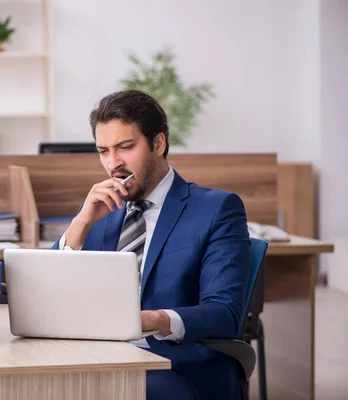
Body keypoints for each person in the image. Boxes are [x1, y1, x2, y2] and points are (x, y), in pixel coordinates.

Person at [52, 89, 250, 400]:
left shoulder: (216, 209)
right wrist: (79, 225)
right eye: (103, 151)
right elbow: (51, 292)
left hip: (175, 365)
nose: (113, 163)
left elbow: (225, 313)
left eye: (125, 147)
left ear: (158, 143)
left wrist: (155, 319)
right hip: (101, 357)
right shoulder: (101, 210)